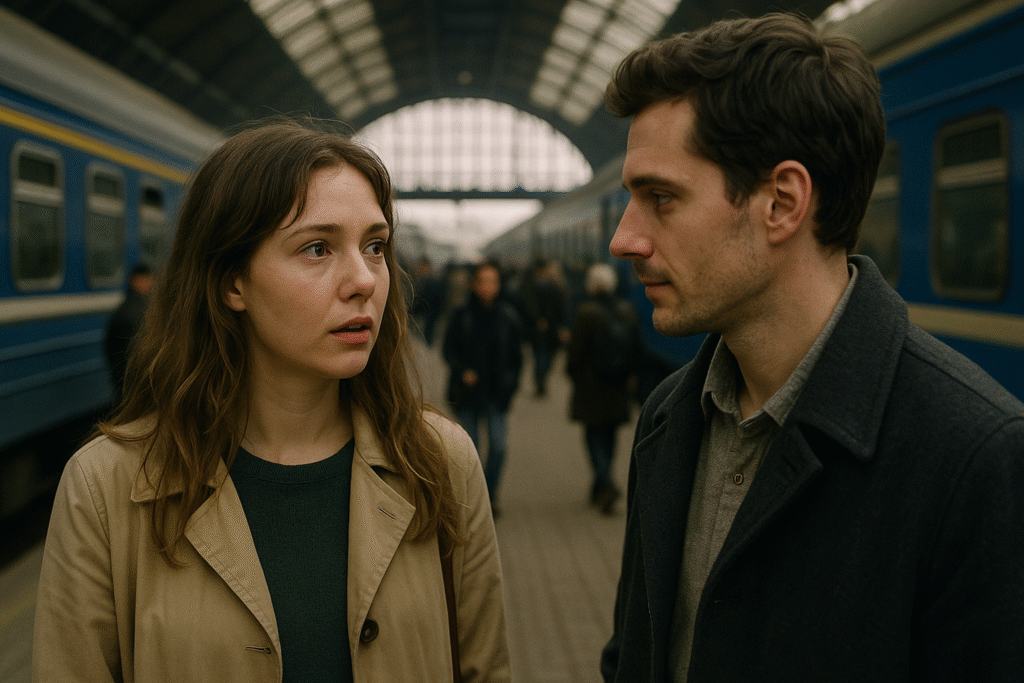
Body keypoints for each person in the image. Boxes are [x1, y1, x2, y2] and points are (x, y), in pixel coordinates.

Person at [600, 13, 1024, 683]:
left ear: (781, 202)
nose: (624, 239)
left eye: (661, 197)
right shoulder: (667, 418)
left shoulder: (974, 460)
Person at [33, 119, 511, 683]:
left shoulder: (440, 462)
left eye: (375, 247)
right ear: (231, 283)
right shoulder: (105, 490)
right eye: (317, 248)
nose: (364, 280)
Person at [442, 261, 524, 515]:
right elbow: (448, 349)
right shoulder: (462, 313)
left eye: (493, 281)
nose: (488, 287)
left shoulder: (508, 316)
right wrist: (462, 371)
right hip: (467, 393)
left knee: (498, 446)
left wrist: (511, 384)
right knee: (471, 448)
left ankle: (489, 494)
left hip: (496, 392)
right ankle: (474, 500)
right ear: (474, 284)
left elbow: (517, 358)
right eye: (483, 281)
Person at [566, 262, 641, 514]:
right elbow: (637, 349)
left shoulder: (586, 312)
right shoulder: (626, 310)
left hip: (591, 387)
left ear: (591, 285)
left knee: (593, 435)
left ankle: (606, 482)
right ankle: (600, 486)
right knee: (610, 435)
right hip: (617, 386)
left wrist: (573, 375)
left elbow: (576, 352)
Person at [103, 262, 154, 406]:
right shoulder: (136, 313)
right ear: (137, 281)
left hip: (124, 381)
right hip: (132, 385)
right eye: (148, 279)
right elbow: (137, 355)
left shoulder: (128, 308)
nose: (152, 284)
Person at [522, 260, 570, 397]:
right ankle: (540, 380)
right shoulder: (558, 289)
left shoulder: (537, 287)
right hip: (550, 329)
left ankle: (540, 379)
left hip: (542, 329)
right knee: (545, 356)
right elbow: (564, 309)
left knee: (541, 356)